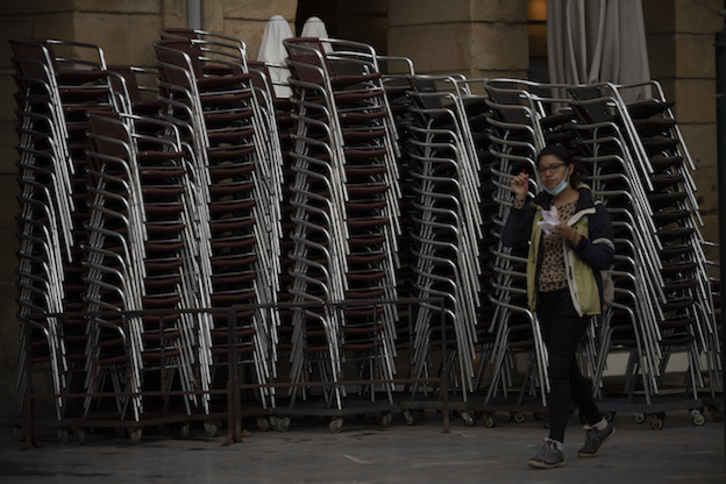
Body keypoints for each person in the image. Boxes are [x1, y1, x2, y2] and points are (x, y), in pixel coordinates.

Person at [501, 145, 616, 469]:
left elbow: (605, 257)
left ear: (570, 168)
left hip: (576, 298)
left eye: (554, 167)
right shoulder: (539, 205)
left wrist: (574, 237)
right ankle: (598, 426)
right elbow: (510, 239)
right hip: (545, 297)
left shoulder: (591, 209)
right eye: (543, 169)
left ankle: (554, 444)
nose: (548, 174)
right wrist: (520, 200)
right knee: (565, 366)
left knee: (556, 367)